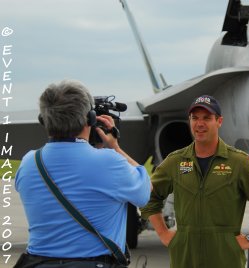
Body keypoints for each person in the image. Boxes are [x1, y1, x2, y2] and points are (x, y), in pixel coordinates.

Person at [14, 80, 151, 267]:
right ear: (91, 118)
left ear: (43, 119)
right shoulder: (109, 162)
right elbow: (146, 191)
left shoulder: (30, 162)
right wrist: (115, 148)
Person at [140, 95, 249, 268]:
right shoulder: (175, 161)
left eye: (207, 118)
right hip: (185, 257)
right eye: (195, 118)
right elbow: (147, 195)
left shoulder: (238, 162)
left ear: (219, 121)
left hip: (225, 257)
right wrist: (163, 233)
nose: (200, 124)